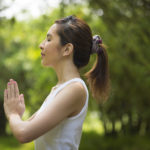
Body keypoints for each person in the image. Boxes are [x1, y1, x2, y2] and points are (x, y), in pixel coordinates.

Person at [3, 15, 110, 150]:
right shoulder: (59, 89)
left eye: (48, 39)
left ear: (67, 49)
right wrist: (17, 115)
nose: (41, 45)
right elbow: (23, 128)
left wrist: (12, 114)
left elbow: (23, 134)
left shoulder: (75, 89)